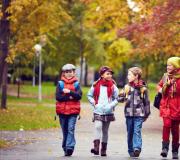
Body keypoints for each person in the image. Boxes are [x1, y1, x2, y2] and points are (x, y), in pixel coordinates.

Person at [118, 67, 150, 158]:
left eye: (129, 74)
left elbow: (146, 102)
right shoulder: (127, 87)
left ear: (136, 76)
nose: (128, 76)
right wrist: (122, 97)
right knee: (130, 132)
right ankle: (131, 150)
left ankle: (137, 148)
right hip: (128, 114)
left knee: (137, 131)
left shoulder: (143, 88)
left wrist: (146, 114)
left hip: (139, 114)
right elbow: (119, 99)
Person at [87, 66, 119, 156]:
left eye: (111, 74)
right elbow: (89, 95)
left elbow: (118, 98)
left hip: (108, 111)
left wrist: (110, 105)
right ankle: (96, 148)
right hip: (98, 110)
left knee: (105, 130)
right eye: (107, 74)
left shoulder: (113, 86)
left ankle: (103, 150)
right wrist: (94, 103)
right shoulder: (95, 85)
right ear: (102, 75)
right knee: (98, 126)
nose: (110, 75)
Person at [55, 64, 82, 156]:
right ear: (64, 73)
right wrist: (70, 97)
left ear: (74, 73)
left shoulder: (76, 84)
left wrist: (70, 92)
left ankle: (70, 147)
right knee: (65, 130)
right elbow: (58, 97)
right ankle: (65, 147)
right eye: (67, 72)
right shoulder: (60, 84)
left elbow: (79, 96)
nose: (69, 74)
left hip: (73, 112)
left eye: (70, 72)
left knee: (71, 129)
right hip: (62, 112)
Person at [157, 57, 180, 159]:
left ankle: (175, 151)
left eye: (170, 65)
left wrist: (173, 83)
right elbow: (159, 85)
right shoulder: (165, 76)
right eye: (167, 65)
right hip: (166, 105)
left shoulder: (179, 78)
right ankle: (164, 149)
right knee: (166, 125)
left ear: (176, 66)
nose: (168, 67)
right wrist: (161, 89)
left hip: (177, 105)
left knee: (175, 129)